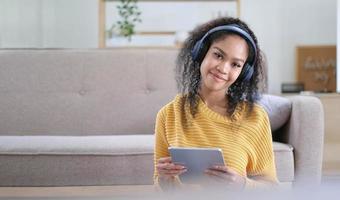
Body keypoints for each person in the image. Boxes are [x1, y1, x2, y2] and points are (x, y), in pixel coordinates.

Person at [154, 17, 278, 191]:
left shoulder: (255, 117)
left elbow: (272, 189)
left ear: (243, 73)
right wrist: (164, 180)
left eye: (235, 64)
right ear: (202, 52)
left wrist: (242, 184)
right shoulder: (169, 114)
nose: (223, 68)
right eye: (218, 55)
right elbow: (160, 190)